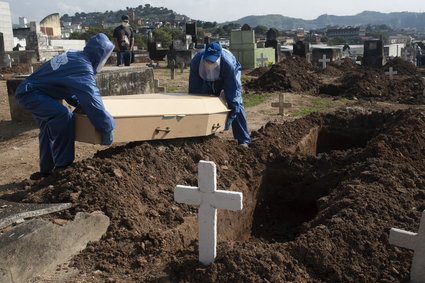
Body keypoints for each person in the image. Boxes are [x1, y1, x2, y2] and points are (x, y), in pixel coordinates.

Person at [16, 33, 115, 179]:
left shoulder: (75, 56)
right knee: (62, 116)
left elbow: (64, 84)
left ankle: (46, 171)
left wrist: (77, 102)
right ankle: (63, 167)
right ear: (99, 54)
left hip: (33, 92)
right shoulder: (82, 67)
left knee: (48, 128)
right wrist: (107, 126)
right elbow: (92, 101)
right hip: (32, 93)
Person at [189, 42, 251, 147]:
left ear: (219, 56)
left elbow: (232, 90)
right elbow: (194, 87)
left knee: (236, 104)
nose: (209, 62)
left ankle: (243, 140)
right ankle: (203, 135)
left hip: (228, 76)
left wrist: (232, 114)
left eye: (212, 60)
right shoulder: (196, 61)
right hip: (206, 79)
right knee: (204, 101)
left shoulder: (227, 63)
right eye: (207, 60)